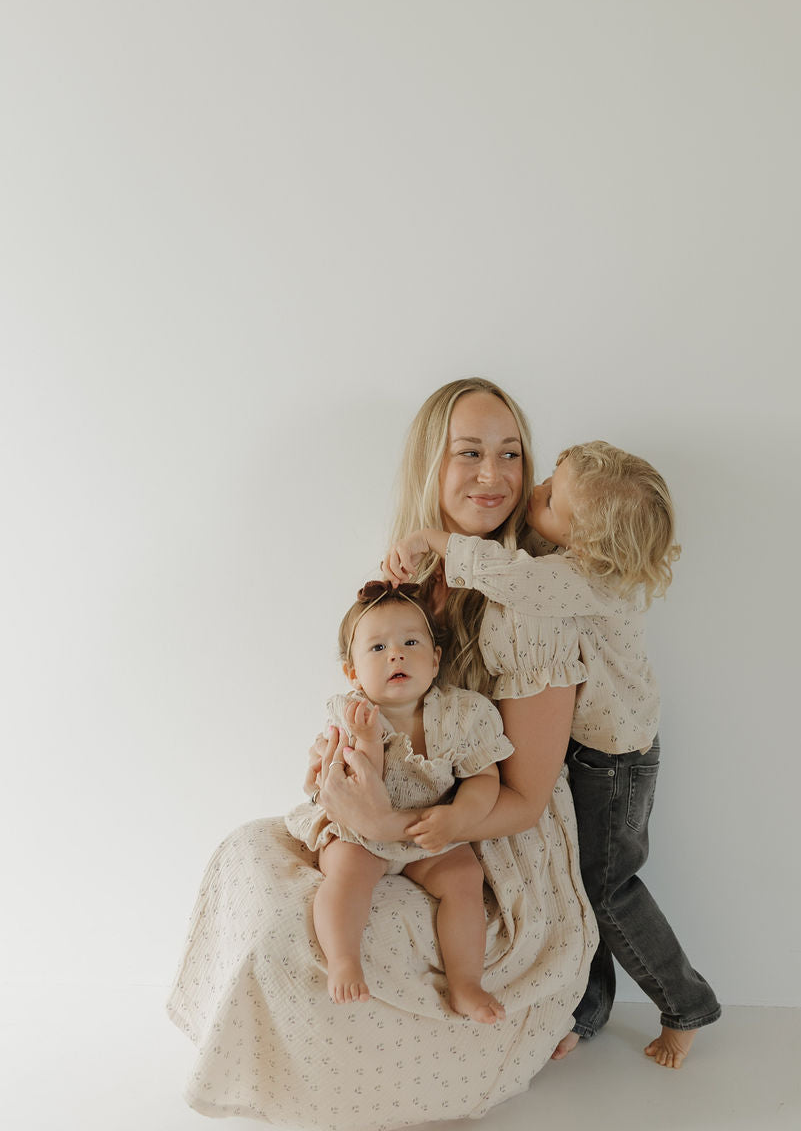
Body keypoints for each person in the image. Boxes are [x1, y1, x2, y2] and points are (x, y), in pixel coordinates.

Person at [167, 379, 598, 1131]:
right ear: (430, 466)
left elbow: (521, 801)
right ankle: (268, 1062)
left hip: (488, 835)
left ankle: (382, 1063)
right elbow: (375, 711)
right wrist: (339, 772)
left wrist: (395, 826)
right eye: (470, 453)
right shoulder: (408, 588)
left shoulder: (530, 612)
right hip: (397, 808)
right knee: (251, 862)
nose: (493, 476)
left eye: (511, 454)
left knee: (335, 930)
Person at [386, 439, 721, 1071]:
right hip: (606, 751)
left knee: (604, 890)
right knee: (586, 884)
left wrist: (435, 539)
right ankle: (590, 1007)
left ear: (589, 545)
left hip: (614, 764)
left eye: (548, 499)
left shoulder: (578, 581)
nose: (532, 491)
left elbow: (516, 579)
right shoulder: (578, 564)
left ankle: (685, 1003)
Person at [285, 581, 513, 1023]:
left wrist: (459, 816)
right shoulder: (349, 715)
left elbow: (484, 777)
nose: (396, 654)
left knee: (465, 879)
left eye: (411, 642)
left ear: (435, 658)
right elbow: (356, 791)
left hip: (429, 831)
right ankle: (344, 959)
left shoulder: (464, 714)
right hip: (360, 832)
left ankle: (465, 982)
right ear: (353, 673)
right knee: (347, 873)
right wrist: (368, 739)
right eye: (377, 648)